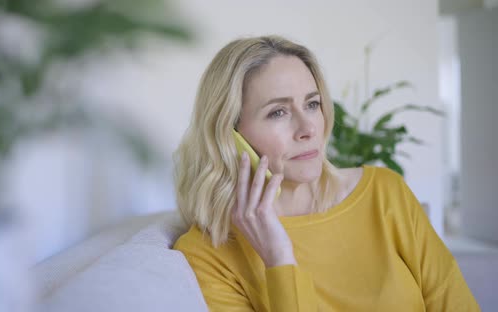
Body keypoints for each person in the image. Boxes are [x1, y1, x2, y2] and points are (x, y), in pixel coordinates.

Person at [172, 35, 479, 311]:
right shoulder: (207, 254)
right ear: (230, 135)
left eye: (312, 104)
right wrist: (278, 258)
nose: (308, 129)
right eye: (278, 112)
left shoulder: (386, 193)